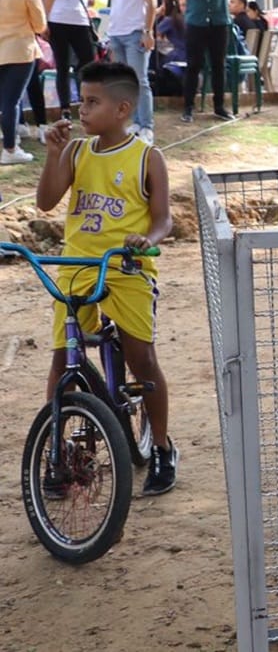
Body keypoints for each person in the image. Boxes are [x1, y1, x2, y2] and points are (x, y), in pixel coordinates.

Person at [34, 62, 176, 495]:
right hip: (76, 268)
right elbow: (45, 202)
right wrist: (53, 154)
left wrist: (144, 239)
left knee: (142, 359)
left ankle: (164, 447)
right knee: (63, 357)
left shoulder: (147, 157)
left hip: (125, 267)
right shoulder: (77, 152)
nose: (81, 109)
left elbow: (164, 220)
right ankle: (59, 452)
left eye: (92, 101)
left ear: (122, 108)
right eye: (81, 100)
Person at [1, 0, 47, 164]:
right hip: (20, 49)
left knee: (7, 102)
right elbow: (40, 24)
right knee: (11, 102)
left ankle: (12, 143)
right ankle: (10, 149)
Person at [107, 0, 157, 144]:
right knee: (125, 82)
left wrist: (148, 31)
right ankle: (136, 123)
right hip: (116, 33)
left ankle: (146, 127)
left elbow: (151, 1)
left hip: (135, 31)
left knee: (139, 81)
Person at [180, 0, 234, 123]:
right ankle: (188, 107)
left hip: (219, 21)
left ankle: (219, 106)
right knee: (193, 65)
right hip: (195, 21)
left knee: (219, 65)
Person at [45, 0, 98, 122]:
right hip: (57, 19)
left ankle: (86, 100)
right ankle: (65, 108)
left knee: (88, 62)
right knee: (62, 65)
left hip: (79, 20)